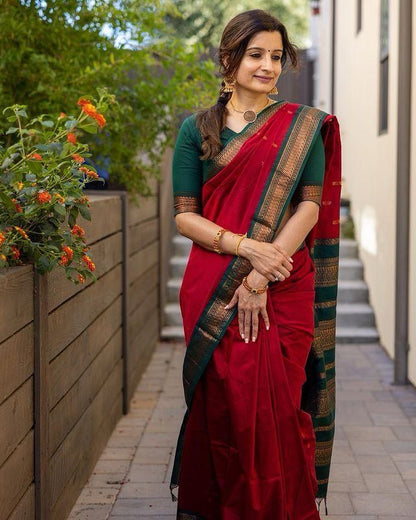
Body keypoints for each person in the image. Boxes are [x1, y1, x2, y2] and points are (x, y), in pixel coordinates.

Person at [170, 9, 341, 520]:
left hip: (284, 279)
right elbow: (185, 216)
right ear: (230, 59)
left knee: (278, 410)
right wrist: (245, 250)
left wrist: (264, 271)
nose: (267, 66)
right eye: (255, 55)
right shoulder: (196, 130)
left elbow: (309, 206)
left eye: (275, 56)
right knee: (228, 408)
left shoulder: (303, 128)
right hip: (215, 282)